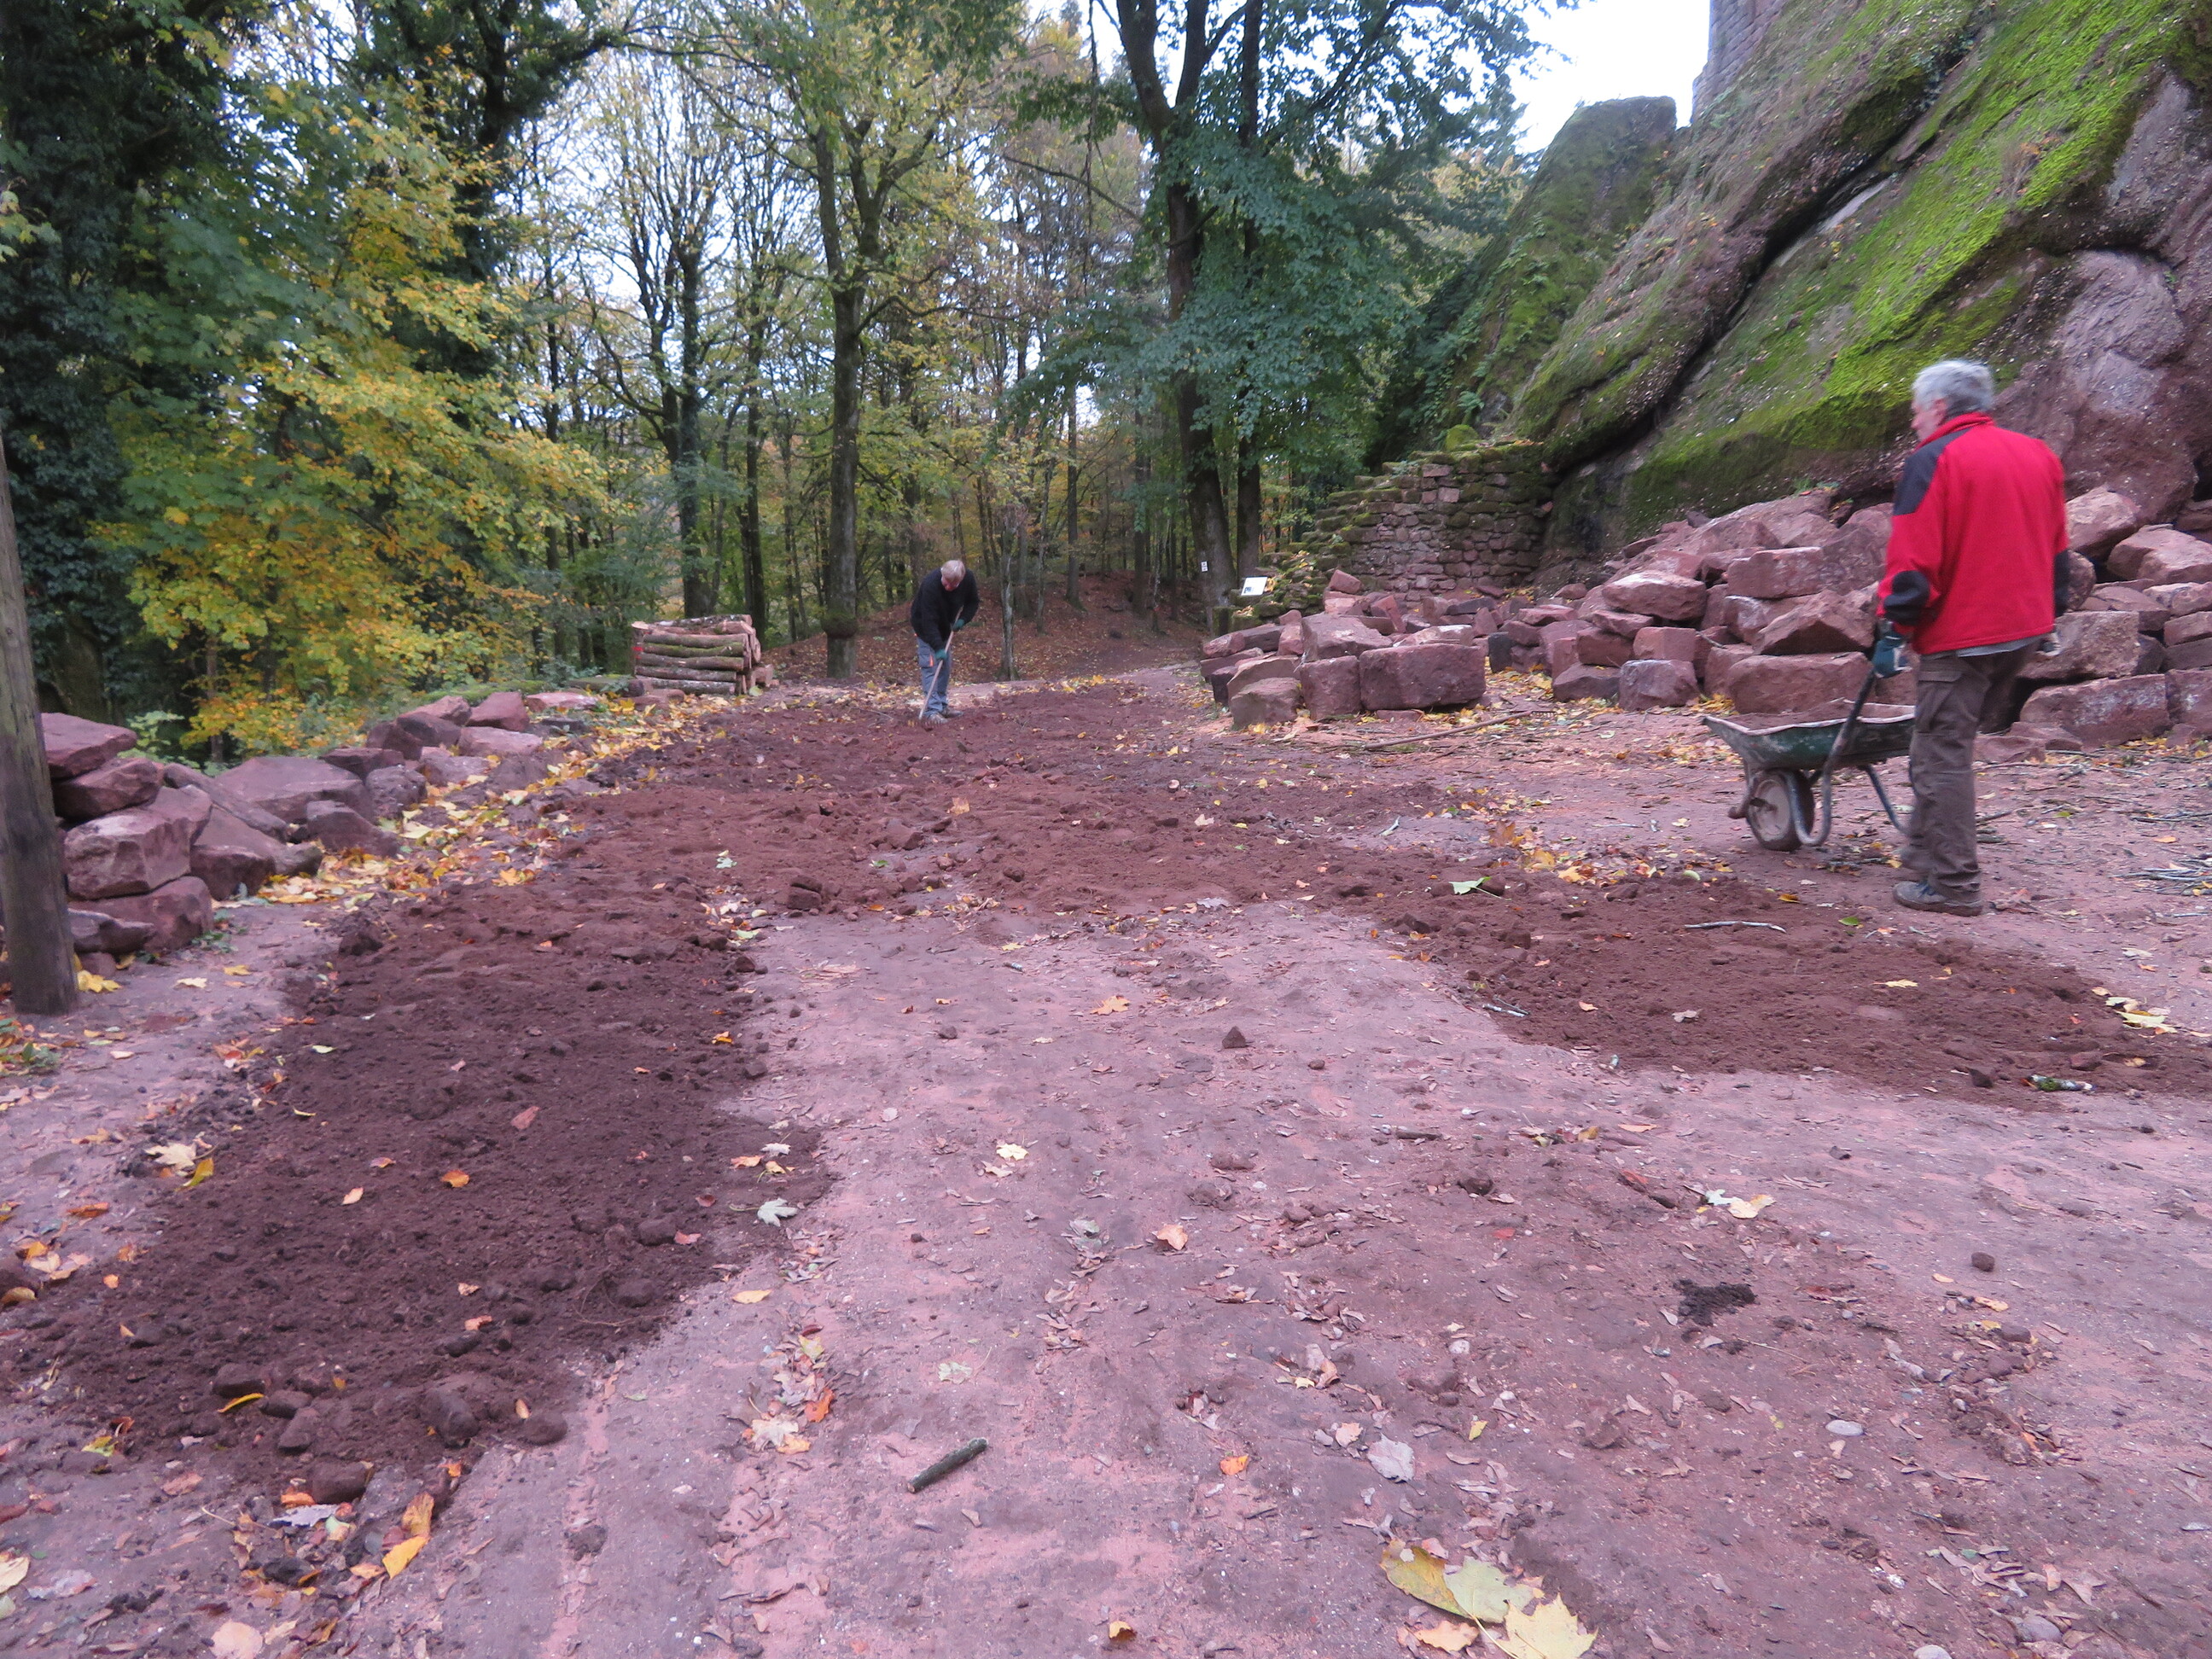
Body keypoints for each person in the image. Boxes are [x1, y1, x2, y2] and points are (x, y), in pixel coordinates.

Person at [1875, 358, 2069, 917]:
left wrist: (1894, 629)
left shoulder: (1933, 460)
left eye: (1916, 411)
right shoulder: (2037, 454)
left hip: (1963, 636)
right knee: (1937, 747)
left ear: (1939, 407)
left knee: (1941, 757)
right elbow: (2058, 546)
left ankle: (1954, 885)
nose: (1913, 421)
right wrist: (2051, 612)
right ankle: (1921, 854)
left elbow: (1913, 562)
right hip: (2024, 630)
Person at [910, 559, 980, 724]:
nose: (948, 587)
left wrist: (963, 620)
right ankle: (932, 710)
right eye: (946, 582)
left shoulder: (968, 579)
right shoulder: (930, 585)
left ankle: (941, 706)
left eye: (953, 585)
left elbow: (973, 602)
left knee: (945, 667)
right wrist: (938, 647)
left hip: (945, 626)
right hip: (924, 627)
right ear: (942, 574)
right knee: (930, 666)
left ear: (960, 580)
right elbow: (929, 621)